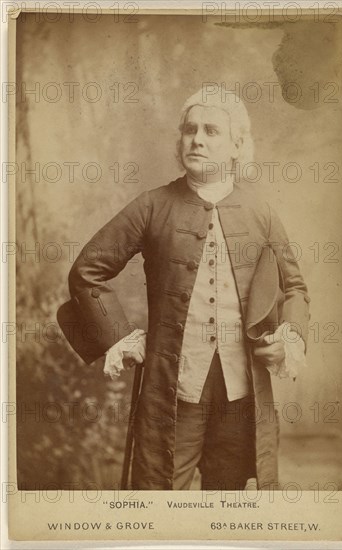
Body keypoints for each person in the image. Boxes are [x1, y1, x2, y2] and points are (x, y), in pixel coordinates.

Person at [58, 86, 310, 491]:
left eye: (212, 131)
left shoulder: (260, 210)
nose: (197, 139)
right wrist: (119, 337)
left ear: (237, 145)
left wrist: (289, 335)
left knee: (228, 505)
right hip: (172, 390)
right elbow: (88, 270)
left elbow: (294, 286)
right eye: (190, 129)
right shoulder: (152, 205)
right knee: (159, 499)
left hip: (240, 392)